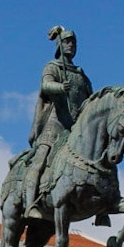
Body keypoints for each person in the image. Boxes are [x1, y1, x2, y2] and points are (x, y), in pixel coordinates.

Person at [24, 25, 93, 218]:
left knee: (99, 156)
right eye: (67, 42)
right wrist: (60, 87)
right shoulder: (52, 67)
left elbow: (91, 98)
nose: (71, 45)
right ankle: (30, 204)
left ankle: (101, 204)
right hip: (56, 123)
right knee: (40, 160)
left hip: (76, 127)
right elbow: (45, 85)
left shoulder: (80, 74)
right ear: (59, 45)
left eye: (73, 42)